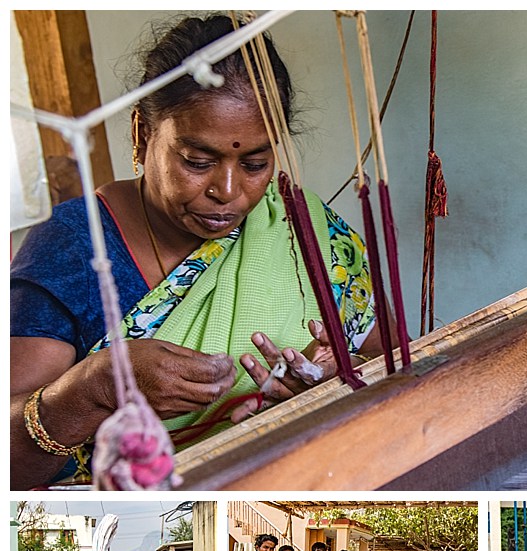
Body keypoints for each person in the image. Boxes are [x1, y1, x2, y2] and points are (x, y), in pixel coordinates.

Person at [10, 13, 389, 489]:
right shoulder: (69, 247)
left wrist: (323, 389)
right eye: (198, 161)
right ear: (142, 135)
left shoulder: (300, 226)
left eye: (255, 163)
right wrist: (96, 386)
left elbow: (394, 365)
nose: (228, 191)